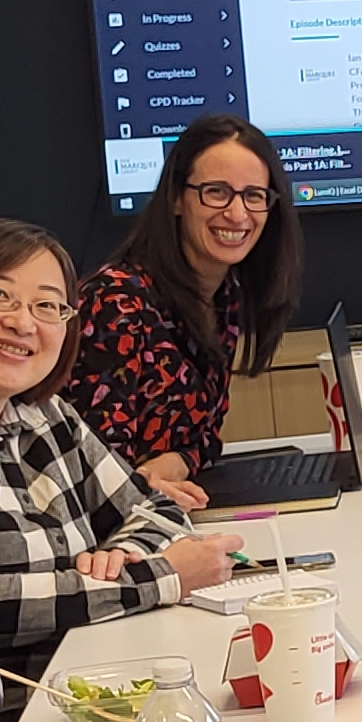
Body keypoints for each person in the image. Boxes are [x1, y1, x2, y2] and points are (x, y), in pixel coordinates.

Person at [0, 219, 239, 699]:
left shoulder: (43, 414)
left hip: (91, 680)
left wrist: (120, 556)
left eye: (47, 306)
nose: (23, 322)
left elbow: (154, 508)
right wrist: (156, 578)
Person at [67, 114, 304, 512]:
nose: (238, 214)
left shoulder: (223, 295)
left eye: (254, 195)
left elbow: (204, 441)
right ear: (177, 198)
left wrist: (177, 463)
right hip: (107, 534)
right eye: (216, 192)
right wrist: (146, 482)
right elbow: (91, 472)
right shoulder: (116, 304)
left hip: (168, 513)